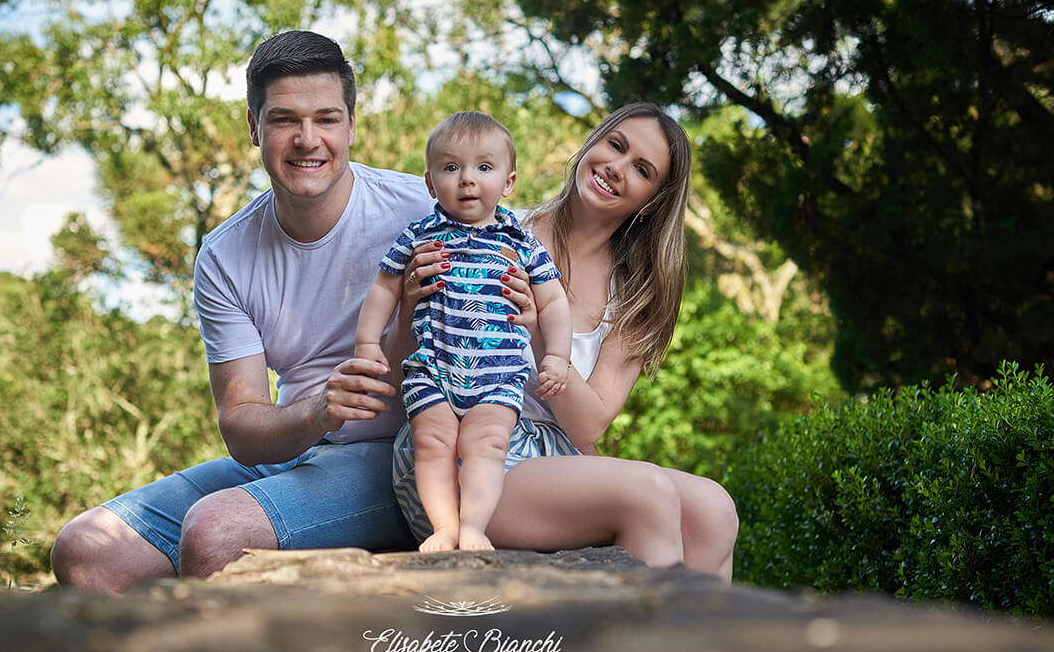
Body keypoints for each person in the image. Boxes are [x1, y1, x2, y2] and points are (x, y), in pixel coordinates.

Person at [49, 30, 435, 592]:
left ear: (352, 125)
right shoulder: (226, 254)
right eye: (285, 120)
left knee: (215, 532)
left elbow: (542, 254)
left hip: (401, 457)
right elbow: (244, 426)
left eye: (327, 119)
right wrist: (319, 411)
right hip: (296, 449)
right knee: (86, 551)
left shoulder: (422, 209)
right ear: (253, 126)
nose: (308, 140)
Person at [392, 103, 740, 580]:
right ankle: (648, 647)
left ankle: (704, 649)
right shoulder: (490, 231)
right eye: (615, 146)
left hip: (555, 453)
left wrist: (537, 330)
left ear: (653, 200)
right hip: (467, 451)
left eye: (641, 169)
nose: (617, 168)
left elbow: (588, 427)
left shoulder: (636, 292)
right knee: (646, 492)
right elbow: (408, 355)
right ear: (592, 144)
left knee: (713, 509)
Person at [355, 111, 572, 553]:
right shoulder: (419, 236)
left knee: (486, 444)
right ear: (431, 184)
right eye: (452, 168)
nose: (467, 179)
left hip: (498, 373)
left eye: (484, 168)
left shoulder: (520, 241)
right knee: (431, 443)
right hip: (432, 369)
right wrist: (366, 342)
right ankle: (443, 527)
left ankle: (474, 525)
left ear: (508, 182)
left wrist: (556, 356)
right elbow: (384, 286)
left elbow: (553, 301)